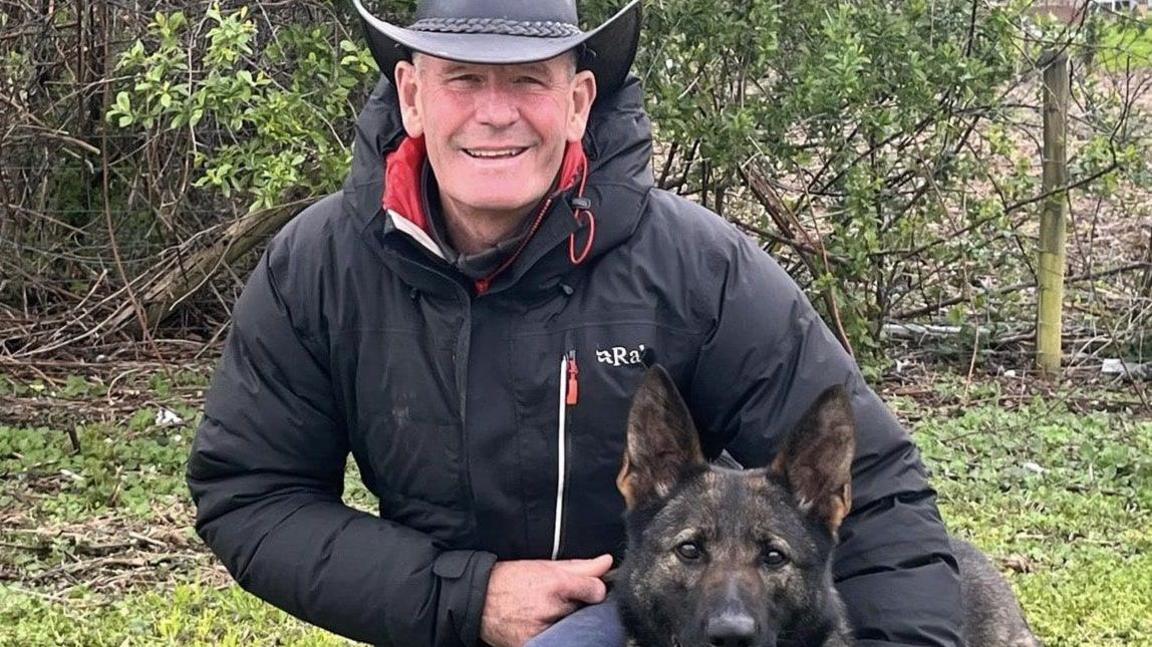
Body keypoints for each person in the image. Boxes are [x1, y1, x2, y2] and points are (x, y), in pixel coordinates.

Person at [186, 1, 964, 645]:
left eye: (528, 78)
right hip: (430, 620)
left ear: (579, 101)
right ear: (412, 95)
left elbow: (881, 492)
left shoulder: (700, 268)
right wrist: (467, 596)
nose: (495, 115)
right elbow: (251, 493)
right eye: (462, 78)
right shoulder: (317, 267)